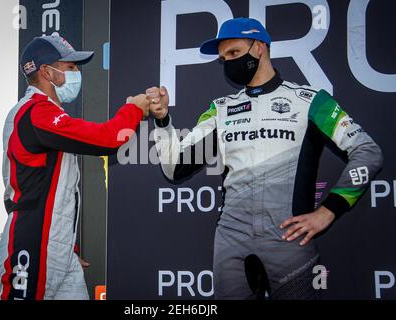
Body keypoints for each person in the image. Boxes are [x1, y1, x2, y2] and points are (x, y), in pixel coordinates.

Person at [148, 17, 383, 299]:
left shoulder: (310, 100)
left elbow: (368, 152)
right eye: (224, 58)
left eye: (234, 53)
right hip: (231, 243)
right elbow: (175, 168)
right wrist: (163, 122)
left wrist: (328, 210)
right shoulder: (221, 109)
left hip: (288, 243)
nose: (229, 62)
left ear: (259, 47)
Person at [0, 33, 149, 300]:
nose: (77, 73)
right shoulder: (35, 111)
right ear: (47, 72)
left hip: (58, 246)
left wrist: (66, 245)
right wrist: (134, 109)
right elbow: (109, 139)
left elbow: (55, 189)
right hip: (33, 241)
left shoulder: (46, 113)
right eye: (70, 67)